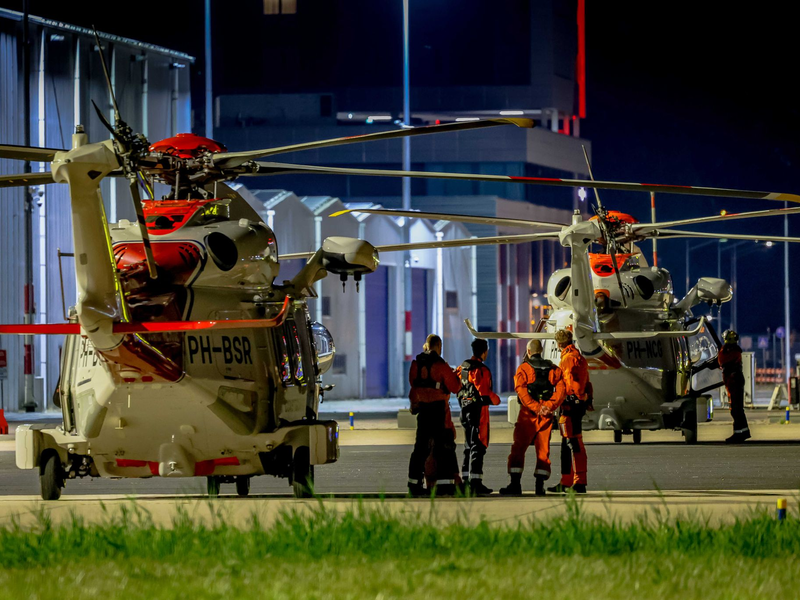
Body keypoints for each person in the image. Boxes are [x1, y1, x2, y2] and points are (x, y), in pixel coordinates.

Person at [499, 339, 566, 496]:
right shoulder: (553, 369)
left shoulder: (524, 368)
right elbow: (561, 390)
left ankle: (515, 485)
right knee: (543, 450)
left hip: (528, 415)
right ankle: (539, 486)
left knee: (518, 448)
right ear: (541, 351)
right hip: (546, 415)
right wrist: (549, 406)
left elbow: (521, 391)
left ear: (529, 352)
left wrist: (536, 407)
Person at [407, 334, 462, 496]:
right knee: (442, 448)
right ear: (438, 346)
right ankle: (445, 485)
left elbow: (413, 386)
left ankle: (414, 484)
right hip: (438, 411)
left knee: (420, 448)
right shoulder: (441, 365)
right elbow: (455, 387)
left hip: (423, 410)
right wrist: (455, 376)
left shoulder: (416, 365)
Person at [548, 329, 591, 494]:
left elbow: (567, 385)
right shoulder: (580, 358)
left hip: (569, 407)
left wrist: (555, 403)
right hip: (578, 405)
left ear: (559, 344)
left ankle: (578, 482)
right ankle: (568, 480)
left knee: (573, 443)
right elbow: (586, 382)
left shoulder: (567, 359)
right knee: (568, 444)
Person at [456, 338, 501, 495]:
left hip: (464, 411)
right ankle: (476, 483)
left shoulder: (463, 367)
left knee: (468, 446)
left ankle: (465, 481)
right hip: (478, 413)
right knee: (478, 446)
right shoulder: (481, 370)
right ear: (484, 352)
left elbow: (455, 386)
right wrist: (497, 400)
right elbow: (484, 393)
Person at [719, 329, 750, 443]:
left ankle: (739, 433)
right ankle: (743, 432)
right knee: (737, 409)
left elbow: (721, 360)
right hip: (734, 381)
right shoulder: (733, 350)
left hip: (734, 381)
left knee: (736, 409)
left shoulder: (731, 351)